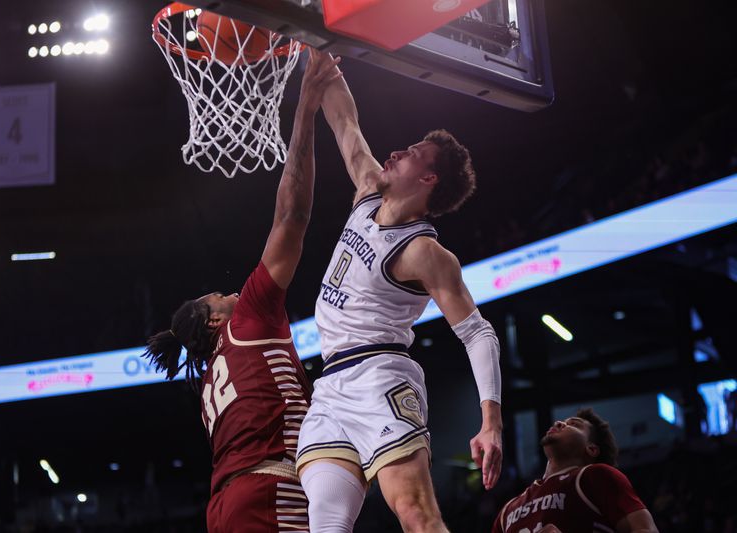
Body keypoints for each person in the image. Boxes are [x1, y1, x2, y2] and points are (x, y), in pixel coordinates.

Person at [296, 51, 503, 533]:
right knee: (325, 525)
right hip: (329, 387)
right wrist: (314, 43)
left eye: (410, 154)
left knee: (415, 513)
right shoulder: (369, 191)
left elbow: (479, 335)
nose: (394, 153)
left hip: (380, 377)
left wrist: (490, 420)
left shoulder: (425, 253)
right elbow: (345, 123)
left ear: (428, 179)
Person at [142, 52, 342, 533]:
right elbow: (291, 217)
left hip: (228, 504)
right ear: (214, 321)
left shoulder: (214, 376)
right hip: (267, 493)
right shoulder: (247, 320)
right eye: (216, 296)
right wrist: (305, 110)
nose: (229, 291)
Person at [491, 408, 659, 533]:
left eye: (573, 424)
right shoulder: (507, 510)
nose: (559, 423)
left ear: (591, 449)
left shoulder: (596, 476)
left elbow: (646, 530)